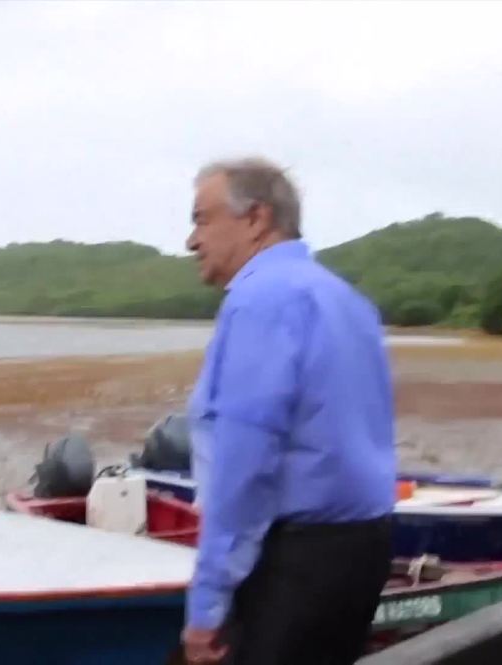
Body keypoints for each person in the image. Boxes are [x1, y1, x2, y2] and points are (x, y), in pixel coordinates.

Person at [181, 157, 397, 665]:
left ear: (255, 219)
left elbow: (245, 463)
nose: (192, 240)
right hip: (364, 547)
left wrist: (207, 605)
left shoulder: (260, 300)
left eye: (201, 219)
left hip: (292, 565)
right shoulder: (350, 302)